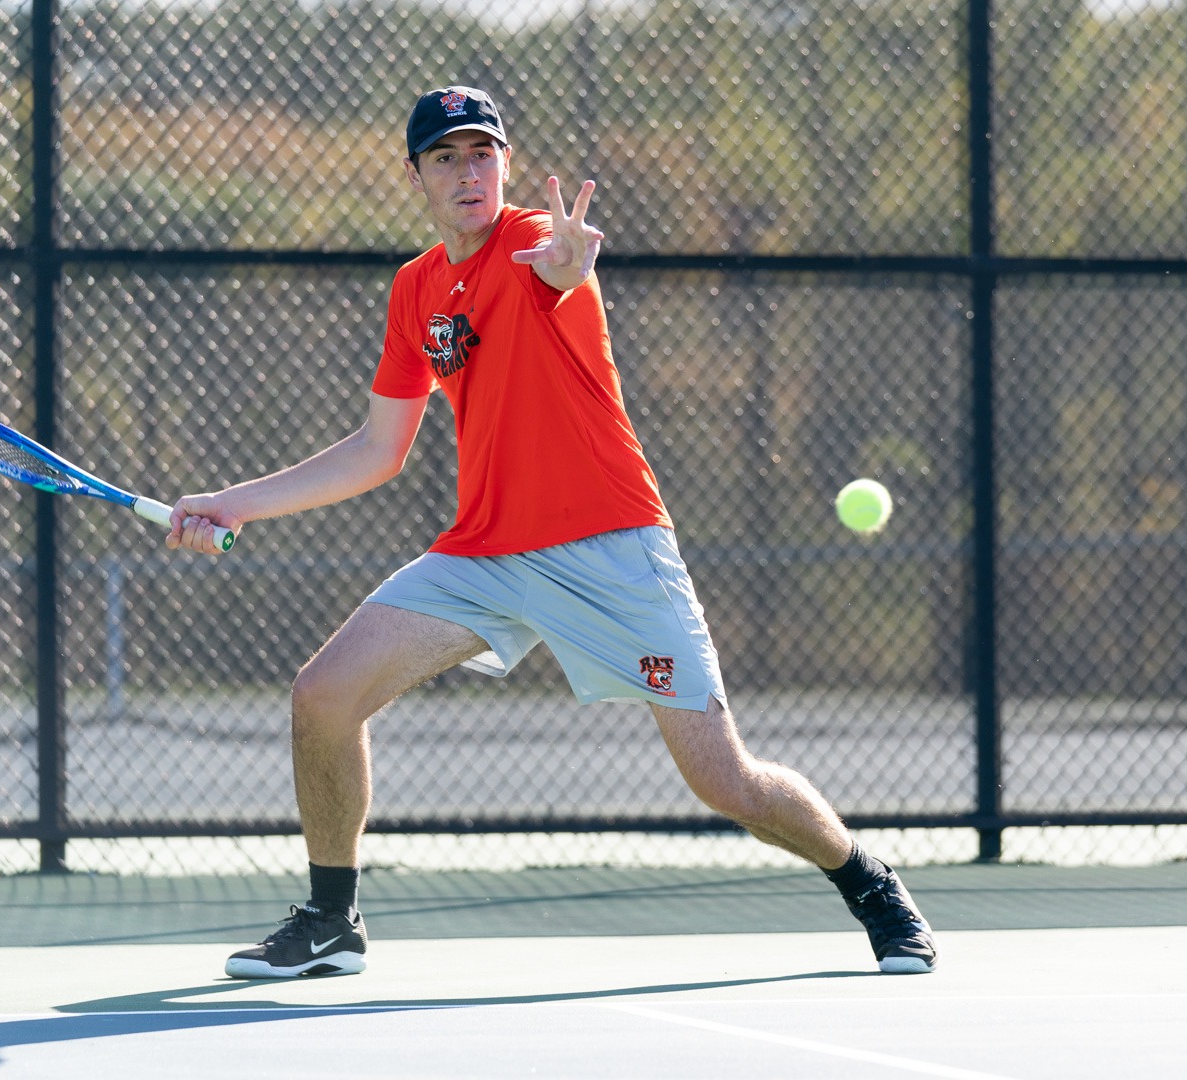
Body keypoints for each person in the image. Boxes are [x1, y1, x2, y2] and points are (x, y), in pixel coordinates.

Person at [165, 85, 938, 979]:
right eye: (447, 157)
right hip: (485, 554)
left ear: (505, 164)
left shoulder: (538, 243)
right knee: (323, 696)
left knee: (722, 780)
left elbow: (560, 269)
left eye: (483, 153)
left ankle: (868, 882)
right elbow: (380, 449)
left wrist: (570, 267)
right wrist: (234, 503)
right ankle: (333, 920)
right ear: (415, 173)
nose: (469, 172)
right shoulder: (415, 289)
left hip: (611, 546)